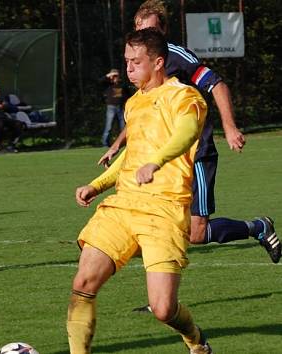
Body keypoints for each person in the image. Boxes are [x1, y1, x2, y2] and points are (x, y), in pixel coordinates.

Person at [98, 0, 280, 264]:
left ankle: (257, 227)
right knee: (158, 222)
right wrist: (117, 145)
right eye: (140, 29)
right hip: (162, 158)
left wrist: (229, 128)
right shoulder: (140, 62)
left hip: (195, 154)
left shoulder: (178, 56)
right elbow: (144, 112)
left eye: (152, 30)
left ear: (163, 31)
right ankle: (160, 302)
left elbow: (216, 85)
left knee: (196, 232)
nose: (146, 36)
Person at [68, 28, 212, 354]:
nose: (129, 68)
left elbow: (188, 133)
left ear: (158, 62)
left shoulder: (185, 97)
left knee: (163, 309)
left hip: (165, 208)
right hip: (123, 206)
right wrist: (98, 184)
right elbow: (132, 155)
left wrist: (158, 161)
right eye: (127, 61)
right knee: (83, 283)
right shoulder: (133, 103)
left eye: (136, 62)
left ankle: (195, 339)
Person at [99, 69, 129, 147]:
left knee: (123, 126)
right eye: (114, 76)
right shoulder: (108, 84)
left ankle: (124, 142)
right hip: (111, 107)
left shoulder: (122, 85)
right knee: (108, 126)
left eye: (116, 76)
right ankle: (105, 143)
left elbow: (128, 95)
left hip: (120, 107)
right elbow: (100, 81)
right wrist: (109, 75)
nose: (115, 77)